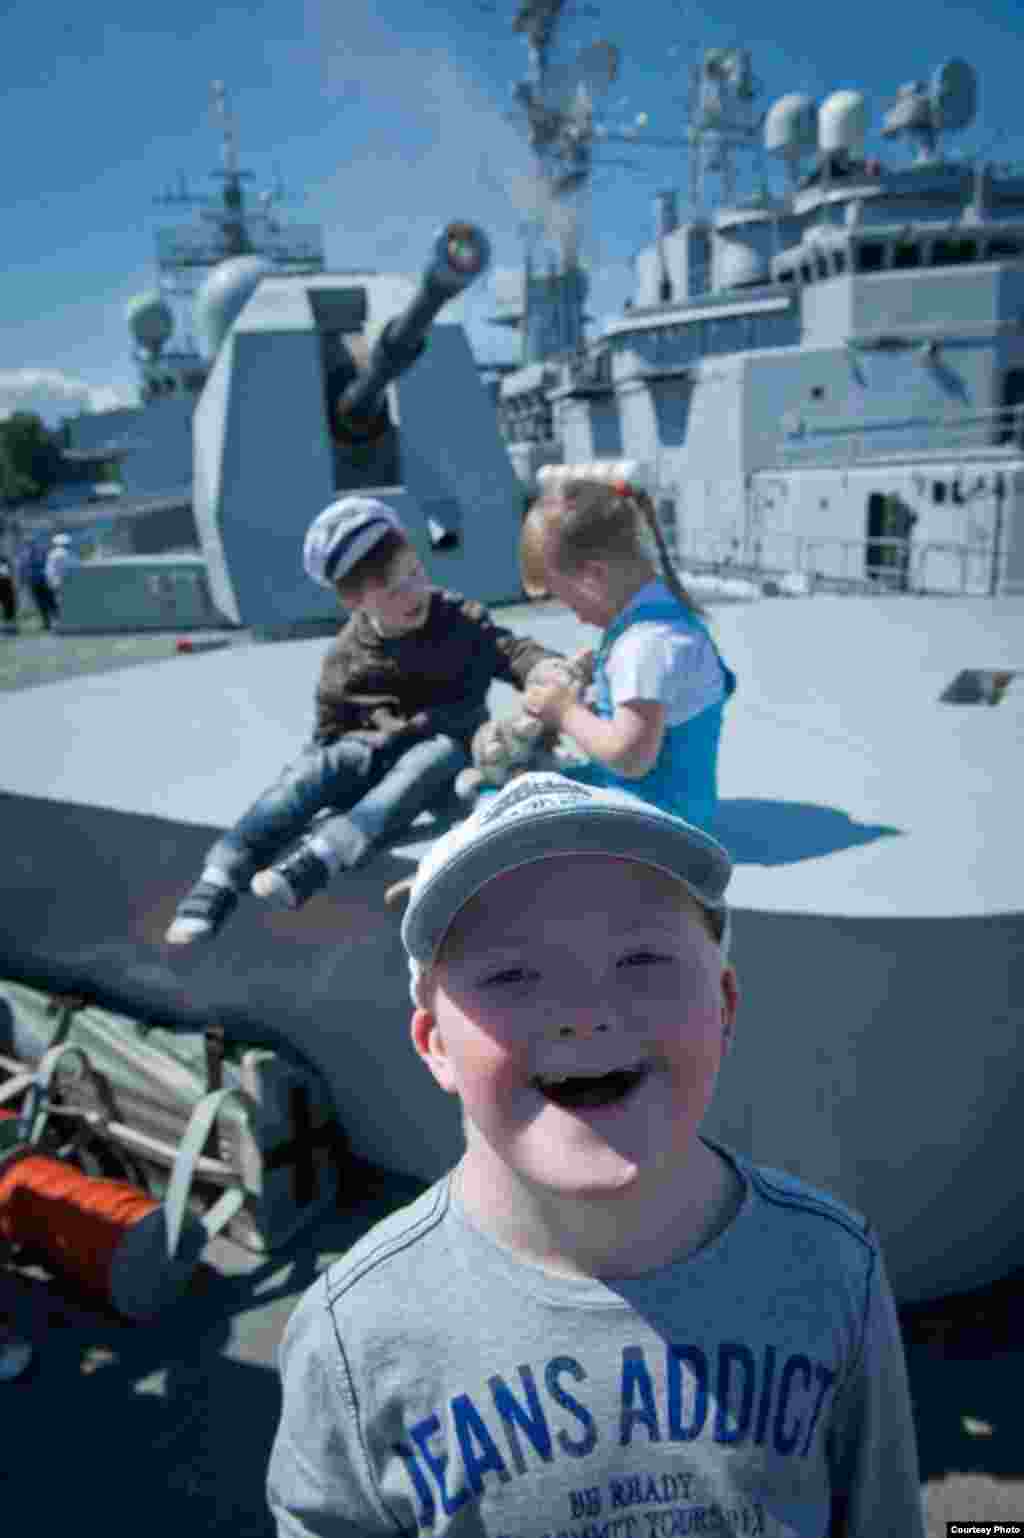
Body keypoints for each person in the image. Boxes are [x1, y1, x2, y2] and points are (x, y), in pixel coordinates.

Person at [266, 771, 926, 1536]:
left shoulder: (835, 1267)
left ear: (726, 1006)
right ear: (433, 1043)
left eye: (643, 961)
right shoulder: (354, 1334)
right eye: (511, 973)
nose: (585, 1014)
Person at [165, 497, 568, 945]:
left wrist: (543, 668)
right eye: (394, 590)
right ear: (354, 601)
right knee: (309, 772)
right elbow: (328, 730)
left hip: (445, 750)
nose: (414, 592)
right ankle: (223, 871)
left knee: (426, 759)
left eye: (416, 574)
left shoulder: (459, 620)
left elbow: (510, 650)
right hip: (370, 753)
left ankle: (324, 855)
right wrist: (322, 779)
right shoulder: (345, 657)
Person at [519, 474, 737, 833]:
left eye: (565, 597)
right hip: (669, 807)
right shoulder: (661, 618)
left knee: (513, 797)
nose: (572, 612)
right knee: (533, 786)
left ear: (594, 576)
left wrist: (565, 712)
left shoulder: (643, 646)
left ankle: (456, 877)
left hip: (655, 824)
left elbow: (629, 757)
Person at [17, 539, 58, 631]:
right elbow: (22, 570)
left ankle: (56, 621)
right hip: (34, 582)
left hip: (43, 581)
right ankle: (47, 623)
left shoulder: (40, 553)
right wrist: (22, 581)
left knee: (50, 602)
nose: (30, 546)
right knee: (41, 603)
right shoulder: (25, 555)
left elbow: (48, 566)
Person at [44, 533, 78, 613]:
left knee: (59, 601)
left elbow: (49, 571)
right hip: (70, 582)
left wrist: (50, 582)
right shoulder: (71, 554)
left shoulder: (52, 554)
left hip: (57, 582)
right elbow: (77, 567)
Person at [0, 553, 16, 628]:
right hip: (4, 585)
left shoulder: (5, 562)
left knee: (9, 606)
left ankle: (10, 625)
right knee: (7, 606)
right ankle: (7, 625)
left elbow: (8, 574)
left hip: (7, 585)